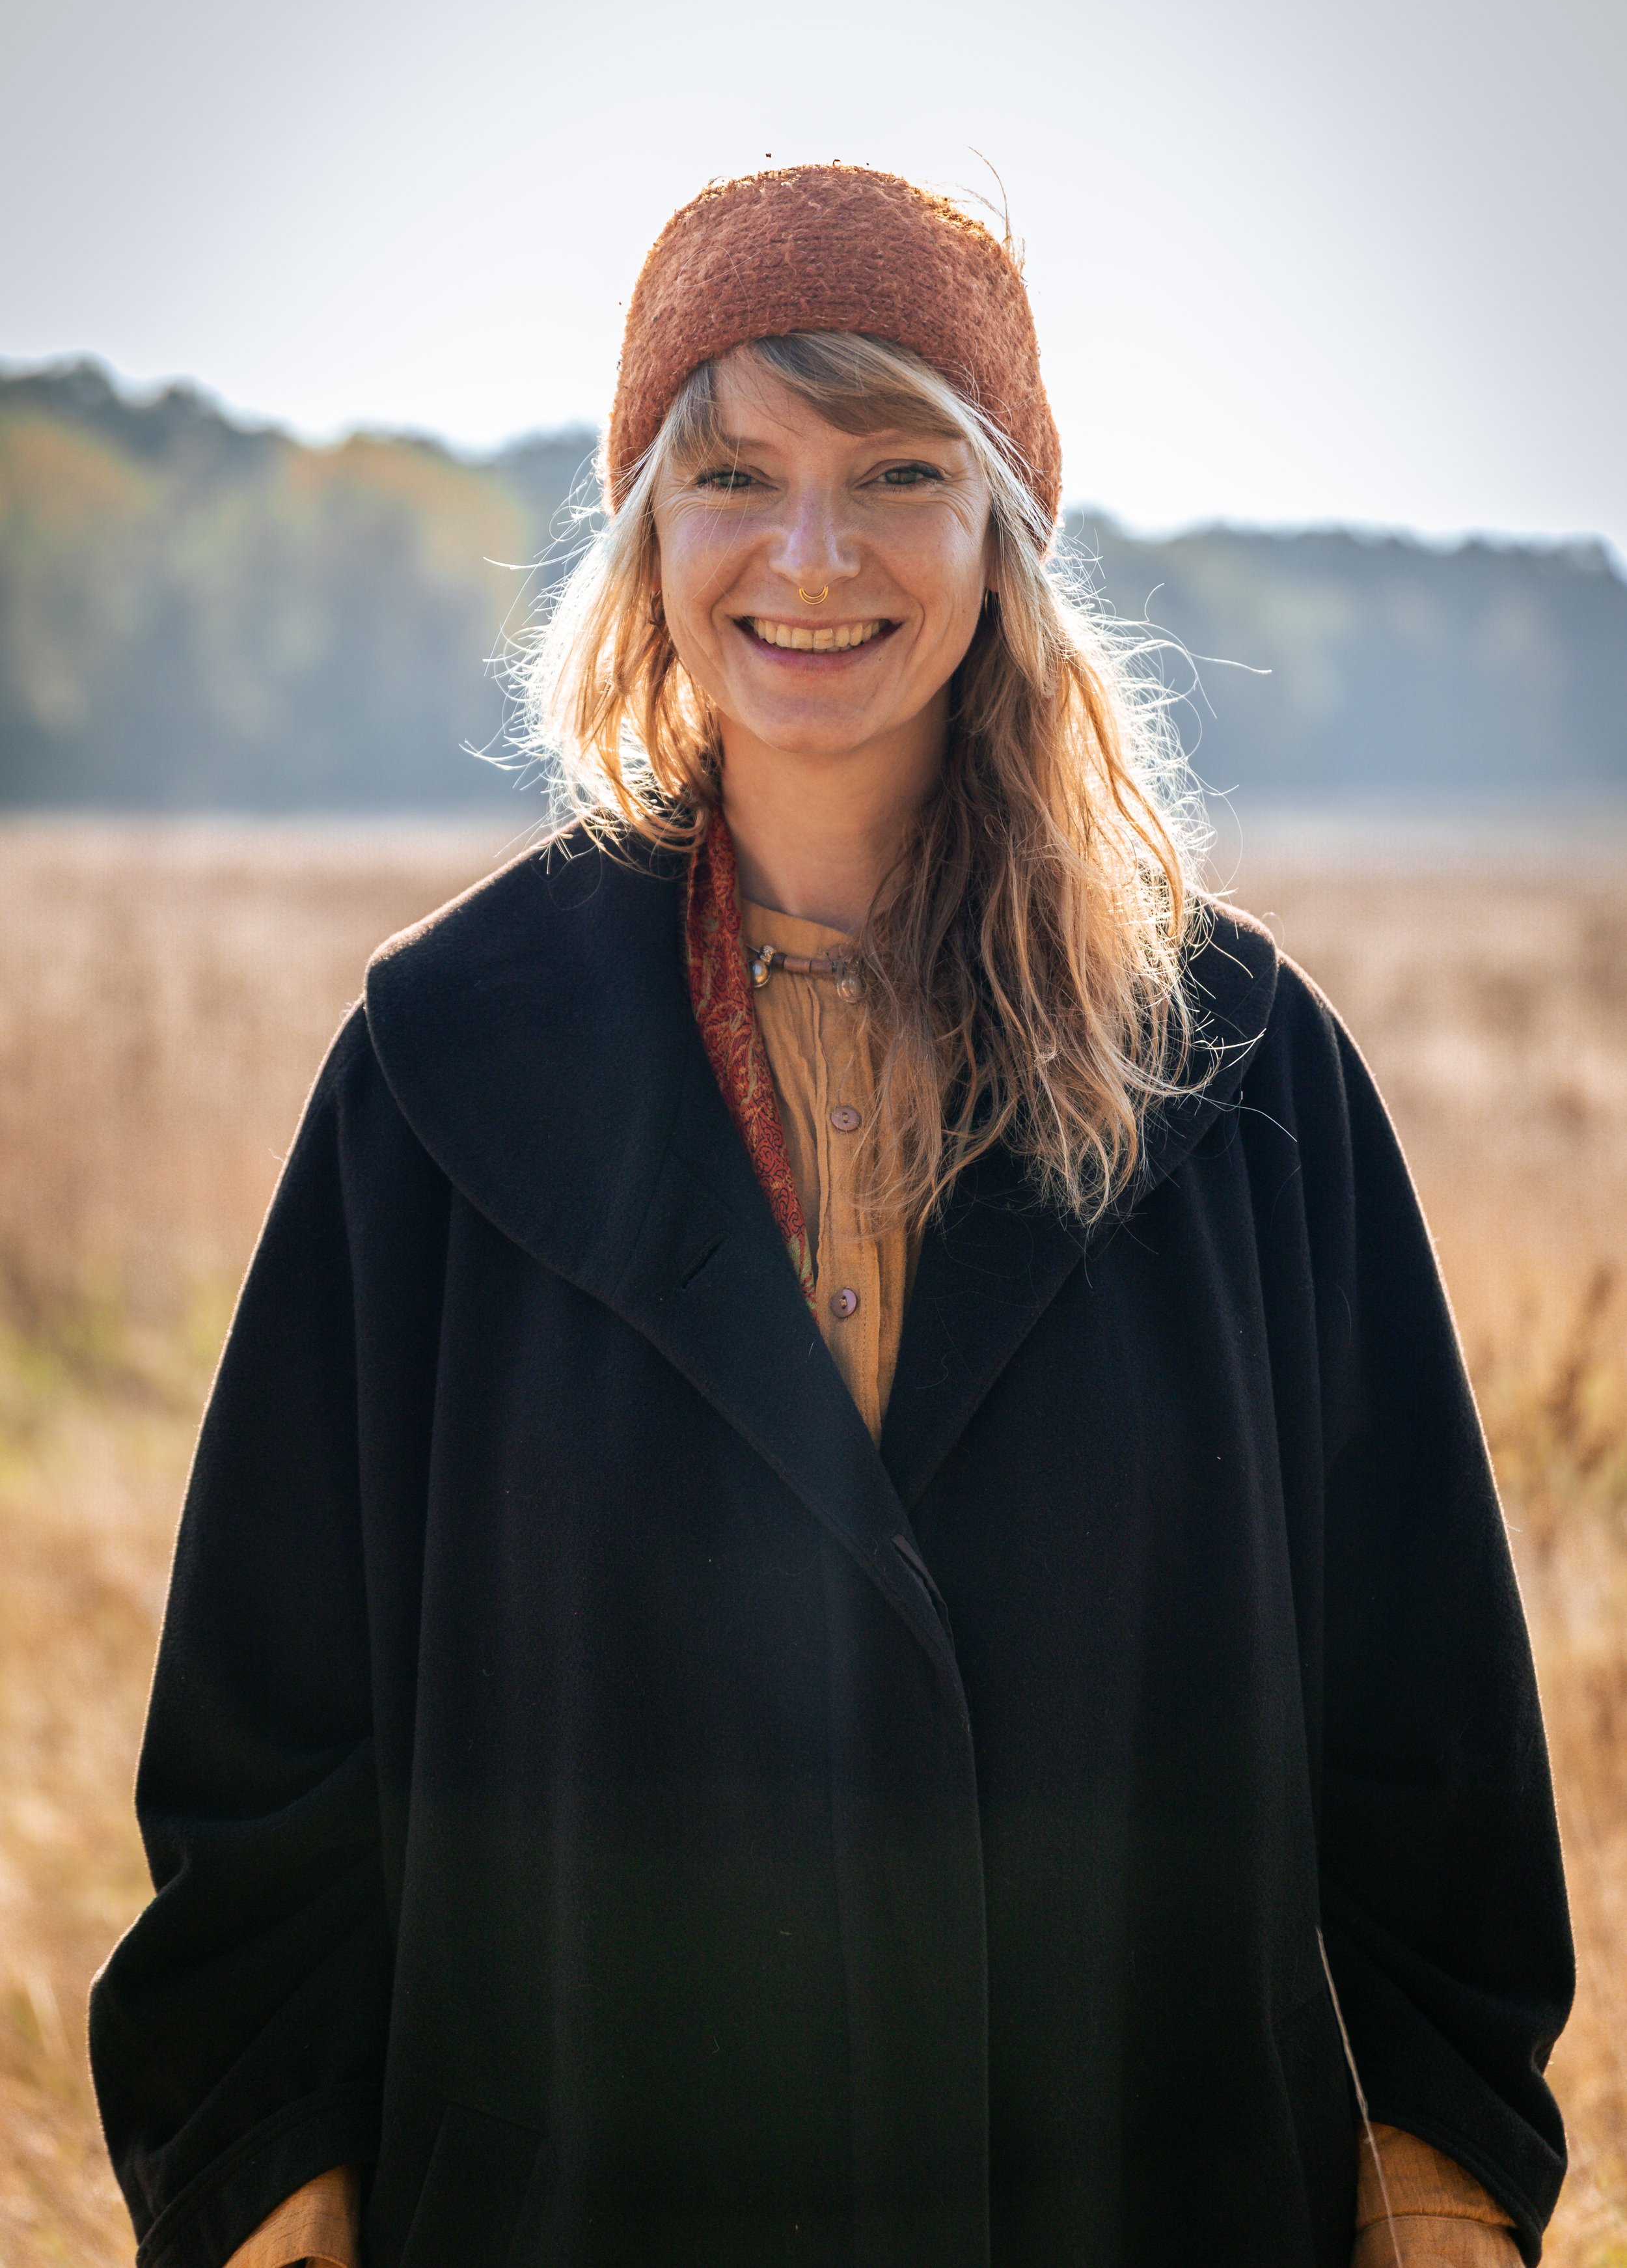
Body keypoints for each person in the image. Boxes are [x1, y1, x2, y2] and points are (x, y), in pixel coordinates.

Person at [90, 167, 1571, 2268]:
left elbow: (1425, 1720)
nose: (811, 553)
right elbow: (267, 1736)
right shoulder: (440, 1072)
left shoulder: (1234, 1071)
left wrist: (1439, 2181)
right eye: (732, 477)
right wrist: (274, 2192)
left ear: (998, 535)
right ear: (646, 534)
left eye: (896, 471)